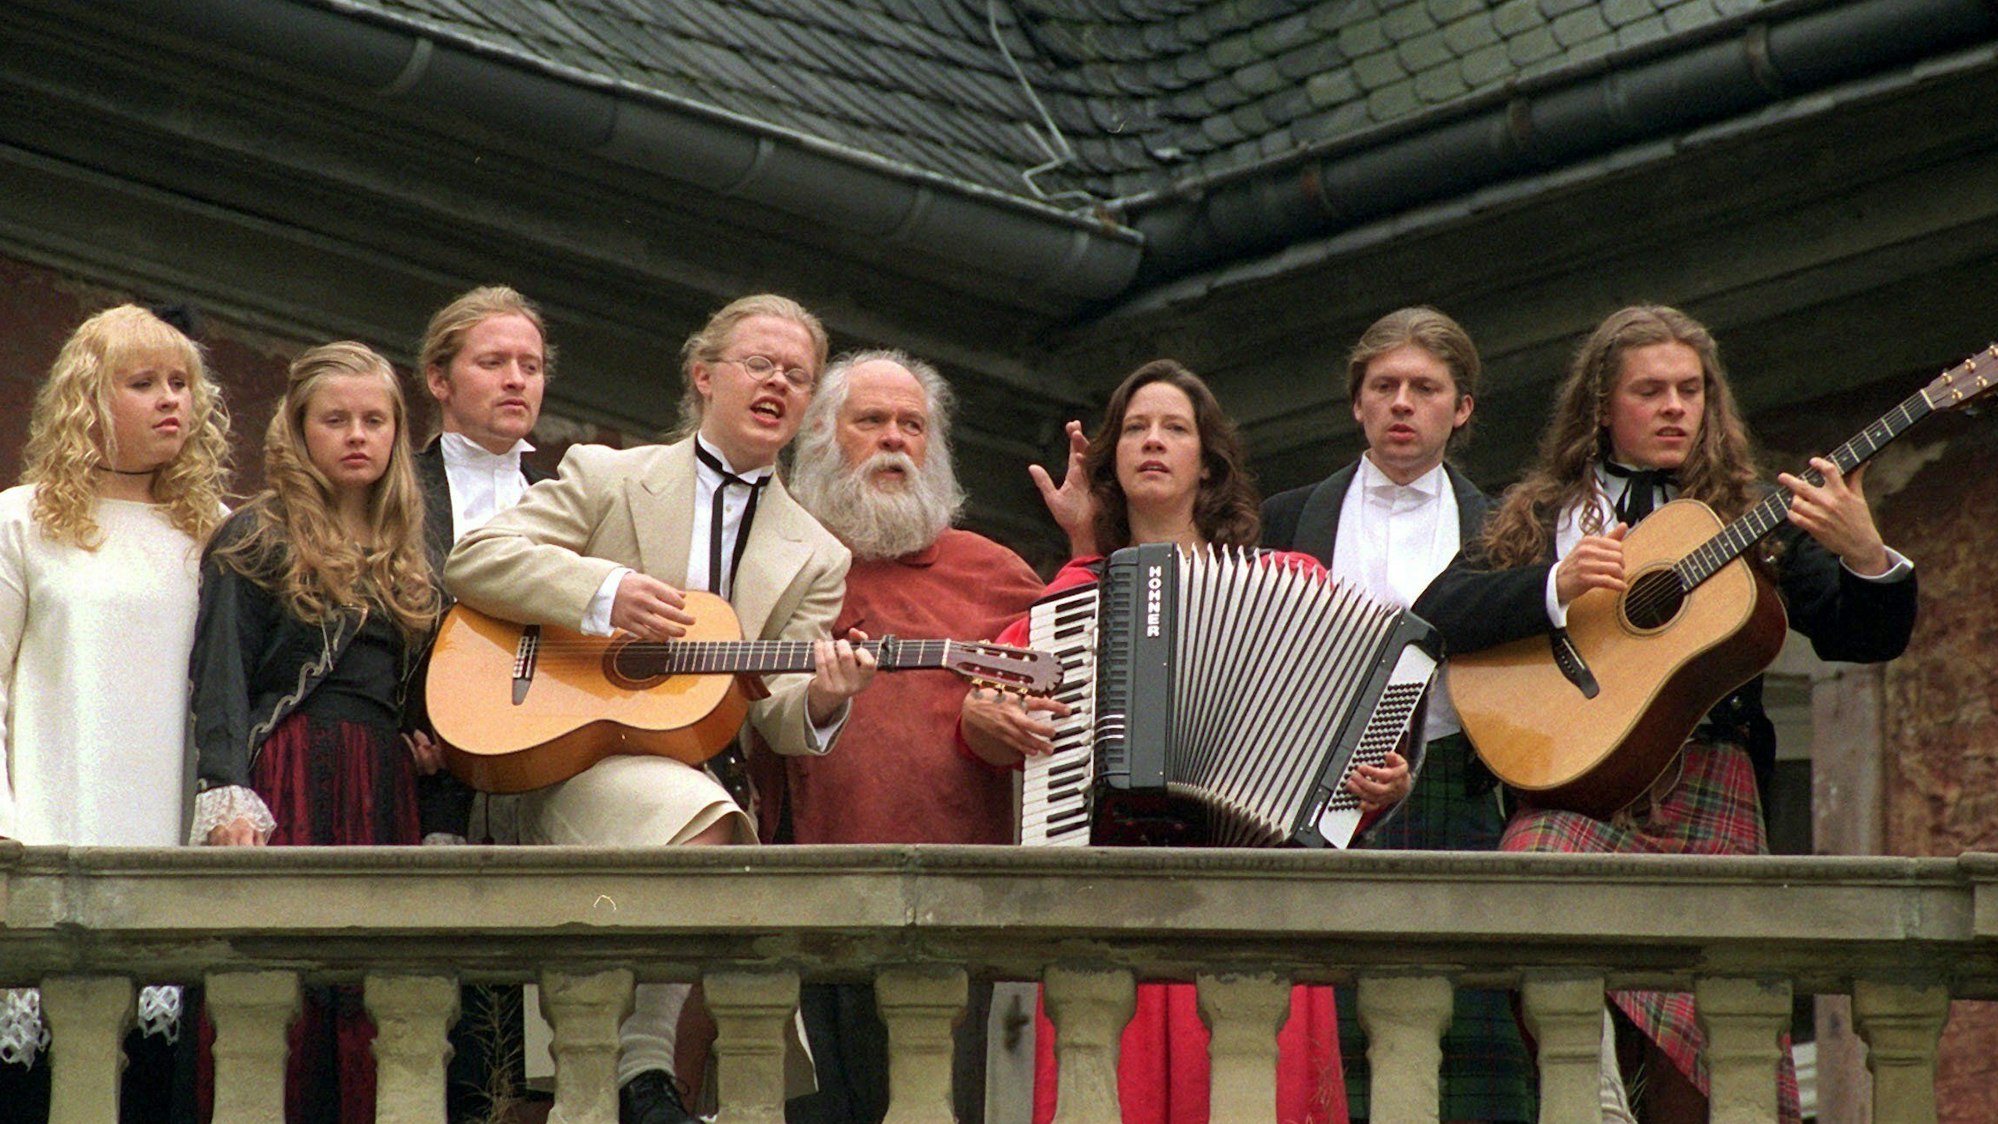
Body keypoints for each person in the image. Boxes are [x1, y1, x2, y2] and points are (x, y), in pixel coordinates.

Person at [1412, 305, 1917, 1123]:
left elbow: (1864, 637)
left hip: (1709, 777)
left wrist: (1865, 554)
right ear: (1602, 408)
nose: (1675, 406)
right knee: (1527, 866)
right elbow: (1440, 613)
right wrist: (1554, 586)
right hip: (1582, 790)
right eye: (1651, 391)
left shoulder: (1761, 513)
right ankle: (1593, 1094)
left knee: (1709, 1042)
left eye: (1690, 390)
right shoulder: (1542, 515)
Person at [444, 293, 877, 1124]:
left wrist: (823, 694)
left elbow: (777, 714)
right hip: (562, 754)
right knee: (711, 827)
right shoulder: (607, 474)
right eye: (760, 364)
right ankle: (644, 1069)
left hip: (694, 769)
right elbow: (477, 559)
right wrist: (602, 593)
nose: (778, 384)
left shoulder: (818, 553)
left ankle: (638, 1074)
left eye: (798, 375)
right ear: (704, 374)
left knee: (711, 821)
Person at [961, 359, 1412, 1124]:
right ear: (1112, 464)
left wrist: (1380, 782)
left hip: (1256, 897)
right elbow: (992, 713)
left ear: (1208, 463)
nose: (1153, 442)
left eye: (1175, 428)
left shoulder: (1292, 582)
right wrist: (982, 720)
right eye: (1135, 428)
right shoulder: (1072, 598)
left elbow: (1347, 755)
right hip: (1113, 899)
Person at [1260, 307, 1534, 1124]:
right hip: (1305, 794)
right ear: (1357, 404)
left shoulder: (1512, 530)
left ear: (1464, 407)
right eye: (1384, 386)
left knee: (1467, 1044)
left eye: (1425, 387)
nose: (1402, 403)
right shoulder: (1286, 517)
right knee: (1329, 1049)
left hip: (1453, 790)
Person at [773, 349, 1045, 1123]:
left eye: (912, 425)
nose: (895, 439)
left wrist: (998, 724)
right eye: (871, 421)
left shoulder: (994, 572)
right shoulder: (776, 558)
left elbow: (1074, 710)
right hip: (792, 901)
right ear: (824, 439)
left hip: (949, 909)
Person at [190, 340, 440, 1124]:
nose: (357, 435)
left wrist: (421, 738)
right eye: (335, 420)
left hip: (382, 784)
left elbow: (412, 686)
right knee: (284, 986)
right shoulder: (256, 536)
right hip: (293, 772)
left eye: (374, 419)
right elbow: (222, 674)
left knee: (372, 993)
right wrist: (227, 797)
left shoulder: (411, 552)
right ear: (299, 431)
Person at [0, 304, 230, 1123]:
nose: (172, 399)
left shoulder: (215, 535)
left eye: (181, 383)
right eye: (144, 384)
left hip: (172, 854)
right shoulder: (22, 520)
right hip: (49, 837)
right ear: (87, 401)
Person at [407, 284, 554, 1122]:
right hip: (421, 772)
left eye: (530, 366)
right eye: (492, 362)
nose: (515, 380)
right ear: (439, 377)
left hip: (535, 770)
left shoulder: (569, 494)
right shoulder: (397, 489)